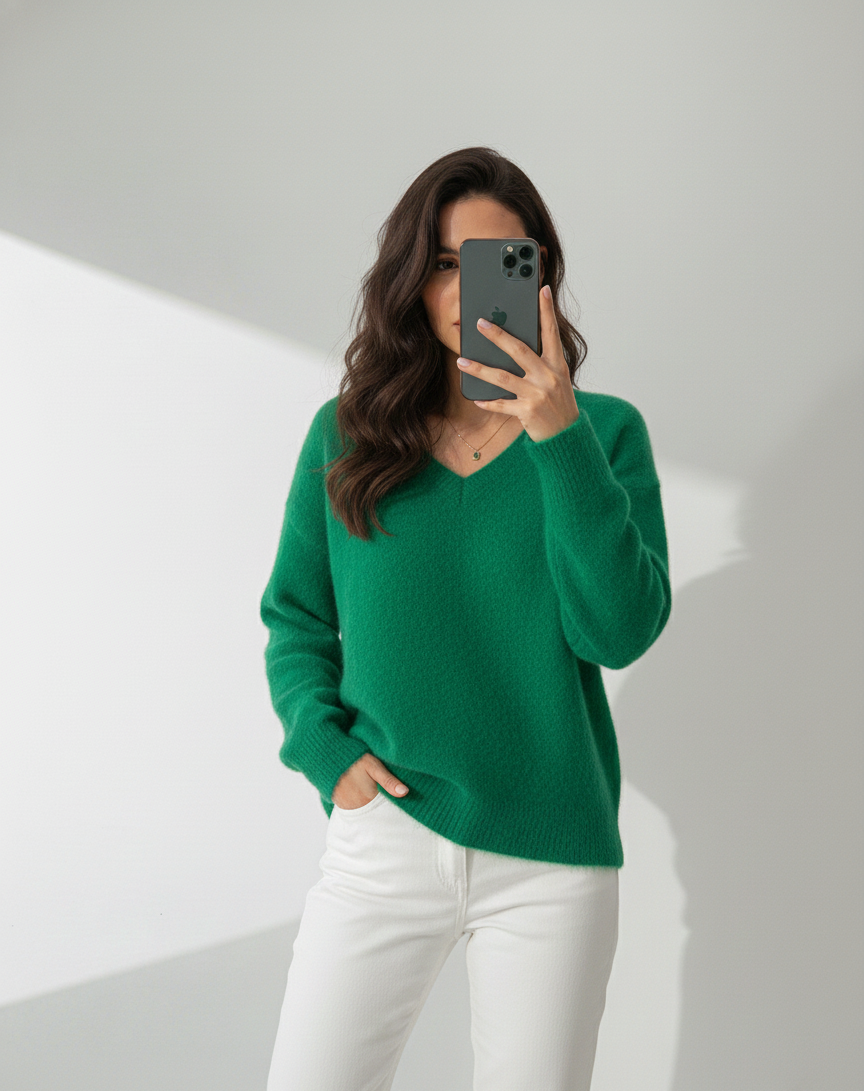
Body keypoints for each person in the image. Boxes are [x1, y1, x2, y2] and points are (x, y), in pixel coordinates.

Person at [259, 146, 672, 1091]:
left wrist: (558, 437)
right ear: (412, 278)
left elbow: (617, 633)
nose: (466, 289)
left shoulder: (605, 434)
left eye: (497, 262)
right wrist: (324, 750)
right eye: (446, 263)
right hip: (385, 836)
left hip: (551, 858)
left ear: (539, 275)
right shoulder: (347, 435)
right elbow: (296, 618)